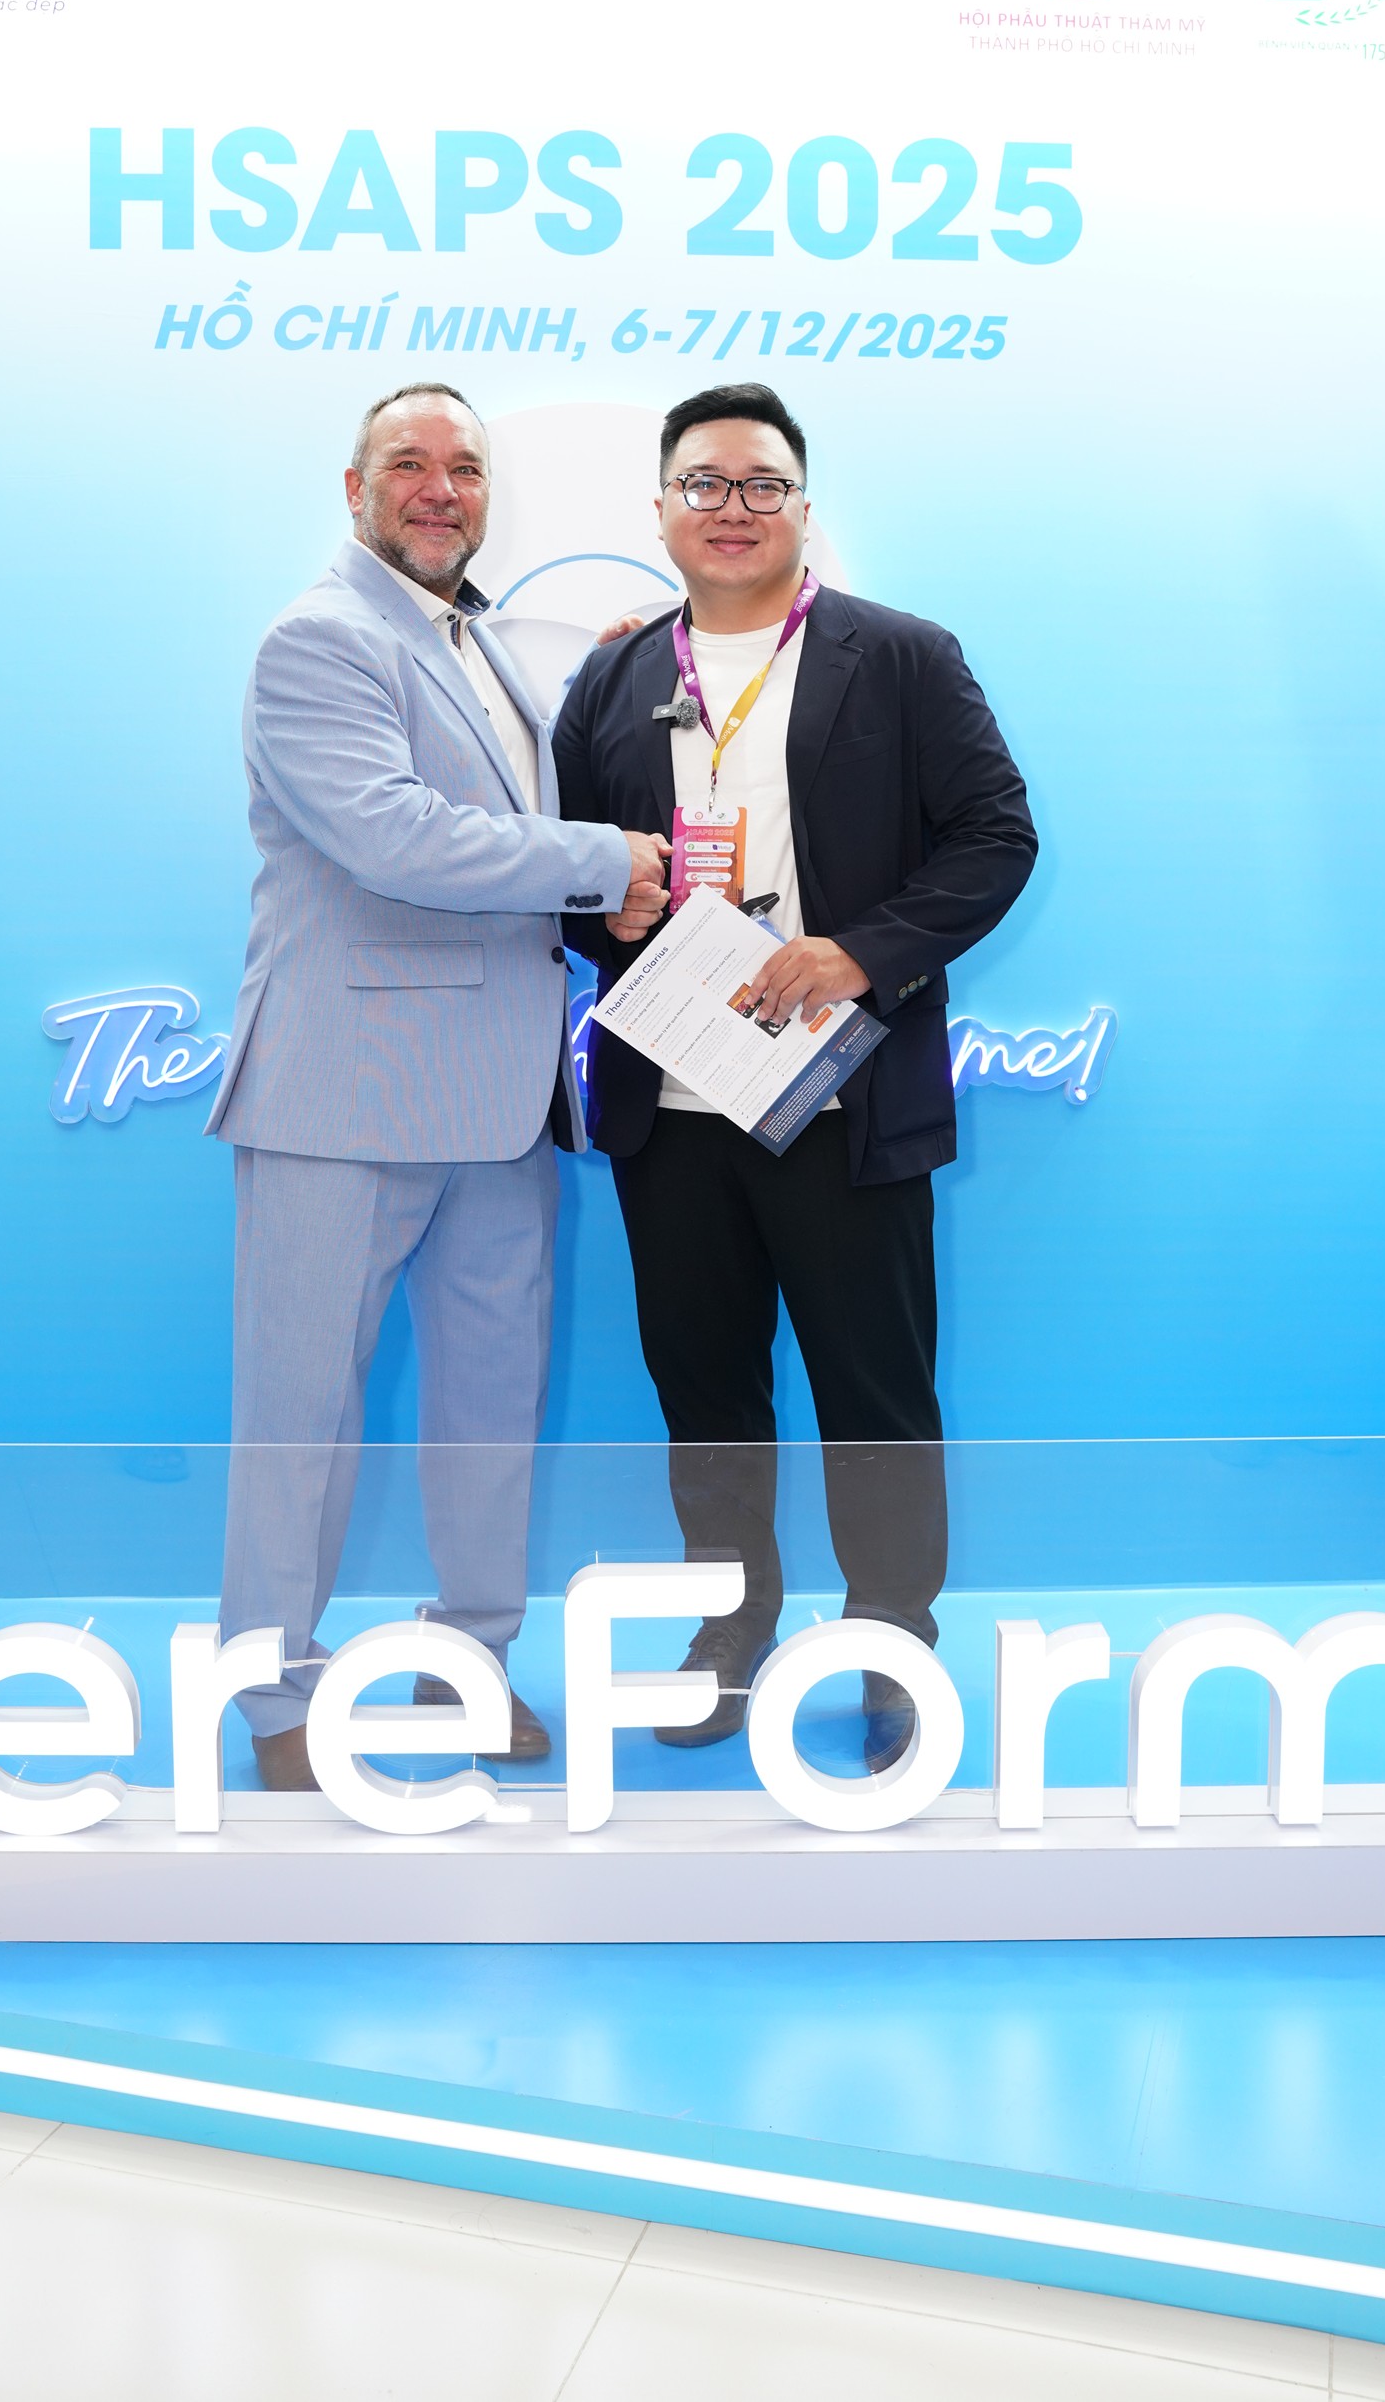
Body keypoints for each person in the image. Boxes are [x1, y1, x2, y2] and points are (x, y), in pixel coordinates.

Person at [553, 383, 1037, 1771]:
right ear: (660, 511)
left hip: (841, 1094)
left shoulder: (903, 656)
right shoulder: (613, 678)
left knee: (874, 1394)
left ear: (803, 509)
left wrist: (858, 954)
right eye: (703, 483)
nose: (733, 507)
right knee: (704, 1392)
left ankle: (891, 1642)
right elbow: (571, 874)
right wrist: (611, 911)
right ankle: (731, 1629)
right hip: (673, 1105)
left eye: (762, 483)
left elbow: (996, 838)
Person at [206, 382, 670, 1789]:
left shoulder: (477, 642)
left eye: (464, 467)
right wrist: (608, 859)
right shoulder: (318, 638)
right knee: (300, 1416)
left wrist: (623, 673)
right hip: (342, 1099)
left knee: (491, 1405)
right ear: (353, 488)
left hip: (500, 1102)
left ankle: (470, 1659)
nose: (440, 486)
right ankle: (275, 1699)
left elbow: (515, 795)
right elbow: (398, 835)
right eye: (408, 462)